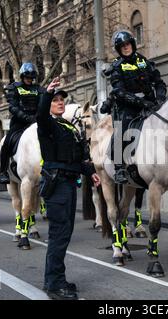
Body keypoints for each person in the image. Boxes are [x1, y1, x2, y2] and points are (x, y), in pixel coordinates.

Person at [37, 77, 101, 300]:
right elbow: (40, 115)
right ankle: (55, 285)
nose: (60, 102)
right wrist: (46, 94)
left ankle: (54, 279)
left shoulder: (68, 126)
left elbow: (78, 155)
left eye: (61, 99)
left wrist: (90, 171)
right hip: (57, 185)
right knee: (59, 234)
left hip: (68, 182)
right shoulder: (47, 125)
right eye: (55, 100)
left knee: (64, 233)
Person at [107, 30, 167, 184]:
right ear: (119, 49)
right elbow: (119, 92)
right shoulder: (117, 66)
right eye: (122, 46)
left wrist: (160, 99)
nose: (126, 47)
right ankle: (119, 167)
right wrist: (141, 103)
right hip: (128, 106)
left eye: (127, 44)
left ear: (132, 44)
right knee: (122, 130)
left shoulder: (144, 61)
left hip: (150, 104)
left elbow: (159, 82)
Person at [0, 62, 45, 184]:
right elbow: (12, 107)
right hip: (19, 123)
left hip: (36, 121)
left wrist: (37, 117)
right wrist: (25, 117)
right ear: (22, 77)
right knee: (6, 143)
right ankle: (3, 172)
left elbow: (42, 105)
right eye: (27, 77)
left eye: (31, 78)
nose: (29, 80)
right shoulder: (14, 87)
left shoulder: (39, 89)